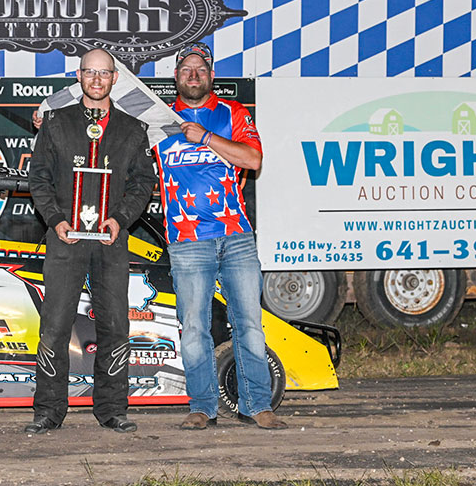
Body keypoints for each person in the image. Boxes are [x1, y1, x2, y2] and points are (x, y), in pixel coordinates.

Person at [155, 42, 287, 430]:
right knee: (194, 326)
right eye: (186, 69)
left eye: (201, 69)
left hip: (236, 236)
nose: (193, 75)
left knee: (249, 322)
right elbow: (106, 140)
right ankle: (202, 407)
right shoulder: (157, 122)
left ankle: (257, 405)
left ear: (211, 76)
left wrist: (206, 138)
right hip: (187, 239)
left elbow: (253, 160)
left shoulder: (233, 113)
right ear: (175, 77)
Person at [25, 48, 156, 434]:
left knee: (115, 324)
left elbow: (143, 183)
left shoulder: (133, 129)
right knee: (55, 325)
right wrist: (56, 220)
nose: (96, 80)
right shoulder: (56, 123)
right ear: (78, 76)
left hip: (111, 241)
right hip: (65, 239)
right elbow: (39, 179)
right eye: (89, 73)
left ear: (115, 78)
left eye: (104, 74)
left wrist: (120, 219)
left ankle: (113, 410)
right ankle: (48, 411)